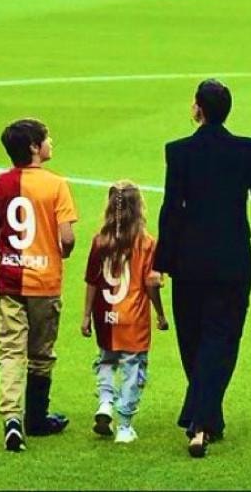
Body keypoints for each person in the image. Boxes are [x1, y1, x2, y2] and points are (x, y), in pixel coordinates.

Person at [153, 79, 251, 457]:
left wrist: (161, 264)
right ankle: (207, 418)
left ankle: (199, 421)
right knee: (221, 341)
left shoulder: (179, 151)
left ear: (198, 109)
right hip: (232, 262)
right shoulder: (246, 150)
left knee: (193, 341)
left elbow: (171, 210)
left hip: (189, 263)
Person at [0, 118, 78, 453]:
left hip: (9, 281)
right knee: (41, 352)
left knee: (10, 350)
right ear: (35, 148)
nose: (51, 142)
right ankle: (37, 418)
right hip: (45, 281)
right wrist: (58, 254)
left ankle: (12, 418)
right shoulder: (56, 184)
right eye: (47, 138)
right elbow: (67, 237)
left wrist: (8, 257)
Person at [81, 181, 169, 445]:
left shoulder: (100, 241)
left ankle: (105, 402)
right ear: (139, 207)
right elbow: (151, 283)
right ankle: (124, 426)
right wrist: (160, 314)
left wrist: (86, 315)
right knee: (133, 367)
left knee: (106, 360)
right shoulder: (146, 243)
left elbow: (91, 281)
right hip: (133, 318)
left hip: (104, 316)